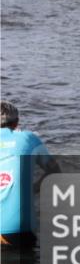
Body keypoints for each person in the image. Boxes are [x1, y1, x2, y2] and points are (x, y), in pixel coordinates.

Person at [0, 101, 60, 248]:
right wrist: (34, 188)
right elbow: (55, 172)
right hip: (19, 229)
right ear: (17, 123)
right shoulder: (29, 139)